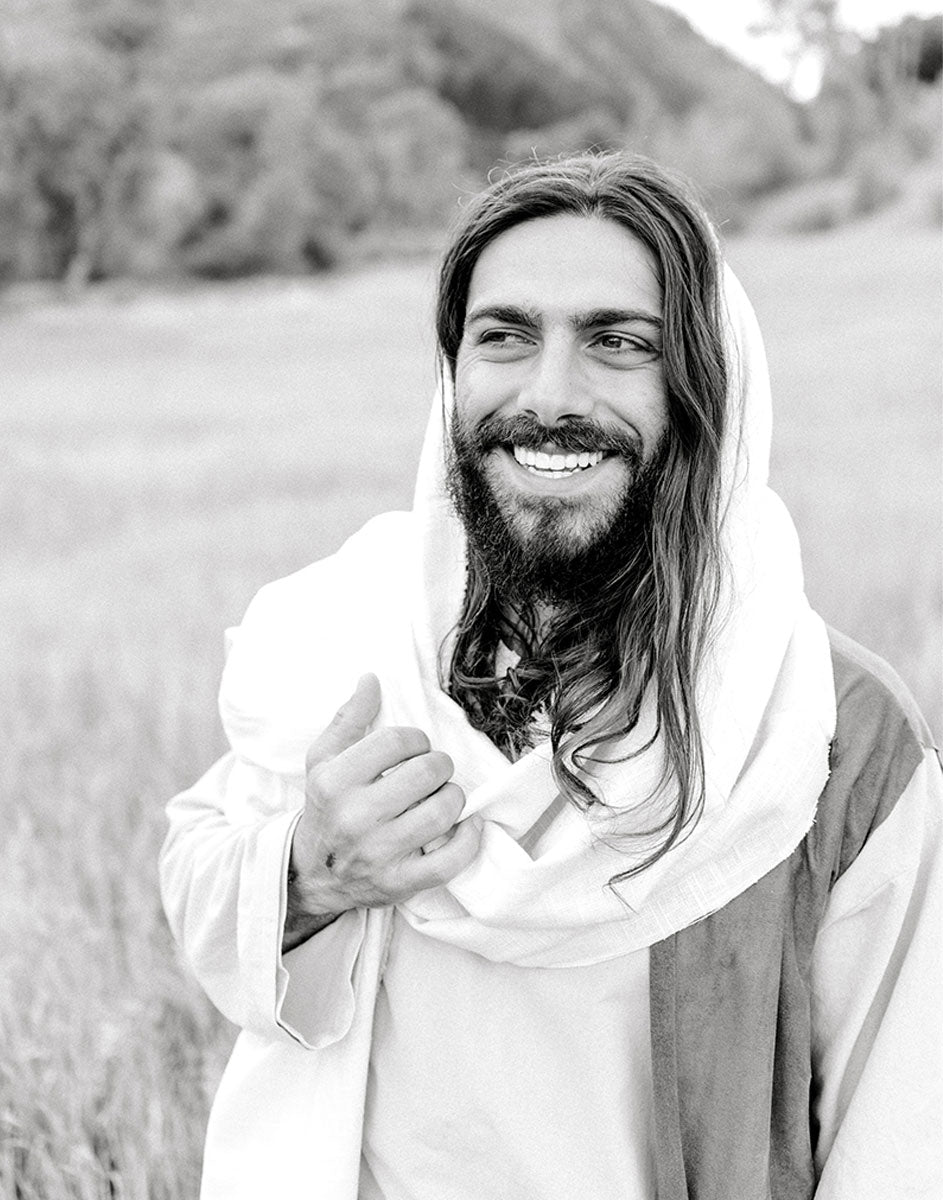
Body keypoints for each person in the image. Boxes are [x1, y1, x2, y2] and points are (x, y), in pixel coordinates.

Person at [160, 152, 942, 1200]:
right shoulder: (350, 639)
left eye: (618, 342)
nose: (547, 396)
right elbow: (202, 877)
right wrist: (308, 873)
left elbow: (902, 1133)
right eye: (505, 335)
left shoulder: (829, 733)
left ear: (705, 385)